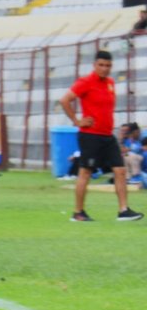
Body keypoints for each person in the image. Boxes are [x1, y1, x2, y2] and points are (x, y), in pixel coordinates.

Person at [59, 51, 142, 221]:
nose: (104, 69)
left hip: (107, 135)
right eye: (101, 65)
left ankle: (123, 210)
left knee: (120, 170)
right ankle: (78, 212)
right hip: (90, 136)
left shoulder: (110, 83)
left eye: (108, 66)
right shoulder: (85, 82)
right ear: (95, 65)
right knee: (86, 172)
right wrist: (76, 120)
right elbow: (65, 100)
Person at [118, 122, 142, 186]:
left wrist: (127, 150)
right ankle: (127, 178)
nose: (139, 134)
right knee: (124, 156)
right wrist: (121, 140)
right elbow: (122, 150)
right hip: (130, 157)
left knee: (130, 155)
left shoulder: (139, 140)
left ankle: (136, 176)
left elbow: (137, 148)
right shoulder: (126, 140)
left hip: (139, 157)